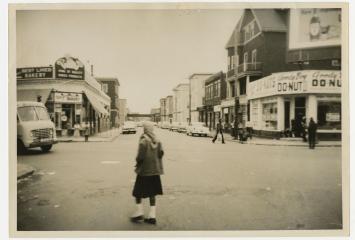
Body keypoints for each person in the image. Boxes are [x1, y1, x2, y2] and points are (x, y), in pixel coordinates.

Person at [131, 122, 164, 225]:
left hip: (144, 172)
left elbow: (140, 157)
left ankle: (139, 213)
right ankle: (152, 216)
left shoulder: (143, 140)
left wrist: (137, 163)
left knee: (137, 193)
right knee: (152, 193)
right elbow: (161, 153)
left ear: (145, 129)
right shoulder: (158, 140)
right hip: (155, 171)